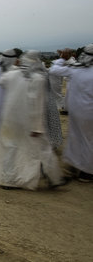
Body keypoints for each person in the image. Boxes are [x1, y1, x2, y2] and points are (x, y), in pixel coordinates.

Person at [0, 51, 66, 190]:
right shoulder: (38, 78)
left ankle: (7, 180)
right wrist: (37, 127)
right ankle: (55, 178)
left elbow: (1, 81)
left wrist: (15, 68)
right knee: (43, 148)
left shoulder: (12, 75)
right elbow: (37, 103)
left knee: (11, 149)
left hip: (10, 120)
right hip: (28, 121)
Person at [49, 45, 93, 182]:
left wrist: (62, 58)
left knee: (84, 140)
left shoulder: (75, 70)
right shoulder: (76, 69)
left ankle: (88, 172)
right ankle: (77, 166)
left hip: (82, 113)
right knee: (81, 139)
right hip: (81, 113)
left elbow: (53, 70)